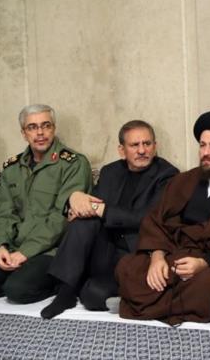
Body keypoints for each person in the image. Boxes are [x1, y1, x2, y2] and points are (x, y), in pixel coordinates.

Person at [115, 111, 210, 325]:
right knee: (128, 267)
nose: (206, 152)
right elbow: (157, 220)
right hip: (174, 253)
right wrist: (157, 257)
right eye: (202, 145)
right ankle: (168, 301)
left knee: (204, 285)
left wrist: (202, 263)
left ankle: (162, 304)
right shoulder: (183, 180)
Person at [40, 120, 178, 318]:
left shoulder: (167, 175)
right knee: (83, 221)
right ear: (122, 150)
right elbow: (93, 204)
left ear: (155, 147)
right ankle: (66, 292)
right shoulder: (110, 171)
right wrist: (75, 202)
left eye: (147, 144)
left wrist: (101, 209)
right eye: (134, 145)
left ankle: (86, 288)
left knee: (93, 296)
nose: (142, 150)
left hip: (135, 253)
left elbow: (148, 218)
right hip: (104, 248)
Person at [0, 104, 92, 303]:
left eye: (45, 125)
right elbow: (4, 212)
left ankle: (64, 282)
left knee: (17, 290)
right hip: (15, 247)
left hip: (52, 250)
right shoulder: (11, 168)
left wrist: (26, 252)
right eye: (32, 127)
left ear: (54, 128)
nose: (40, 133)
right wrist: (1, 246)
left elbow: (61, 218)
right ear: (24, 133)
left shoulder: (73, 164)